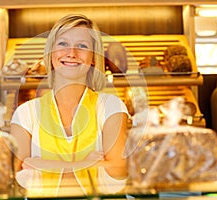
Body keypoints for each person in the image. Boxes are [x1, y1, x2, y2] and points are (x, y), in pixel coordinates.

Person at [10, 14, 129, 196]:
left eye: (82, 46)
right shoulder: (26, 113)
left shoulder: (111, 107)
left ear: (93, 57)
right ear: (50, 54)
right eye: (63, 44)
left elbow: (116, 176)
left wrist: (41, 164)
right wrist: (83, 164)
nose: (71, 53)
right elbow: (18, 177)